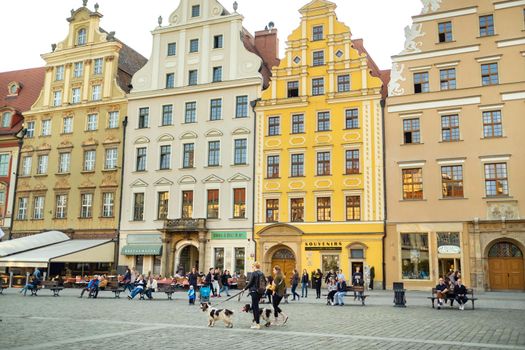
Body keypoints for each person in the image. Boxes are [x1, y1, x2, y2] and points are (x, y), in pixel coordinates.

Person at [243, 262, 266, 330]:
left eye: (252, 266)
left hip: (254, 291)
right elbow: (265, 282)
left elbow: (250, 283)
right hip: (260, 292)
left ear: (255, 266)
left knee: (255, 308)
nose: (252, 268)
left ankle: (257, 324)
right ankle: (256, 321)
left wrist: (244, 288)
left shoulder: (254, 273)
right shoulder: (262, 273)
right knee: (254, 306)